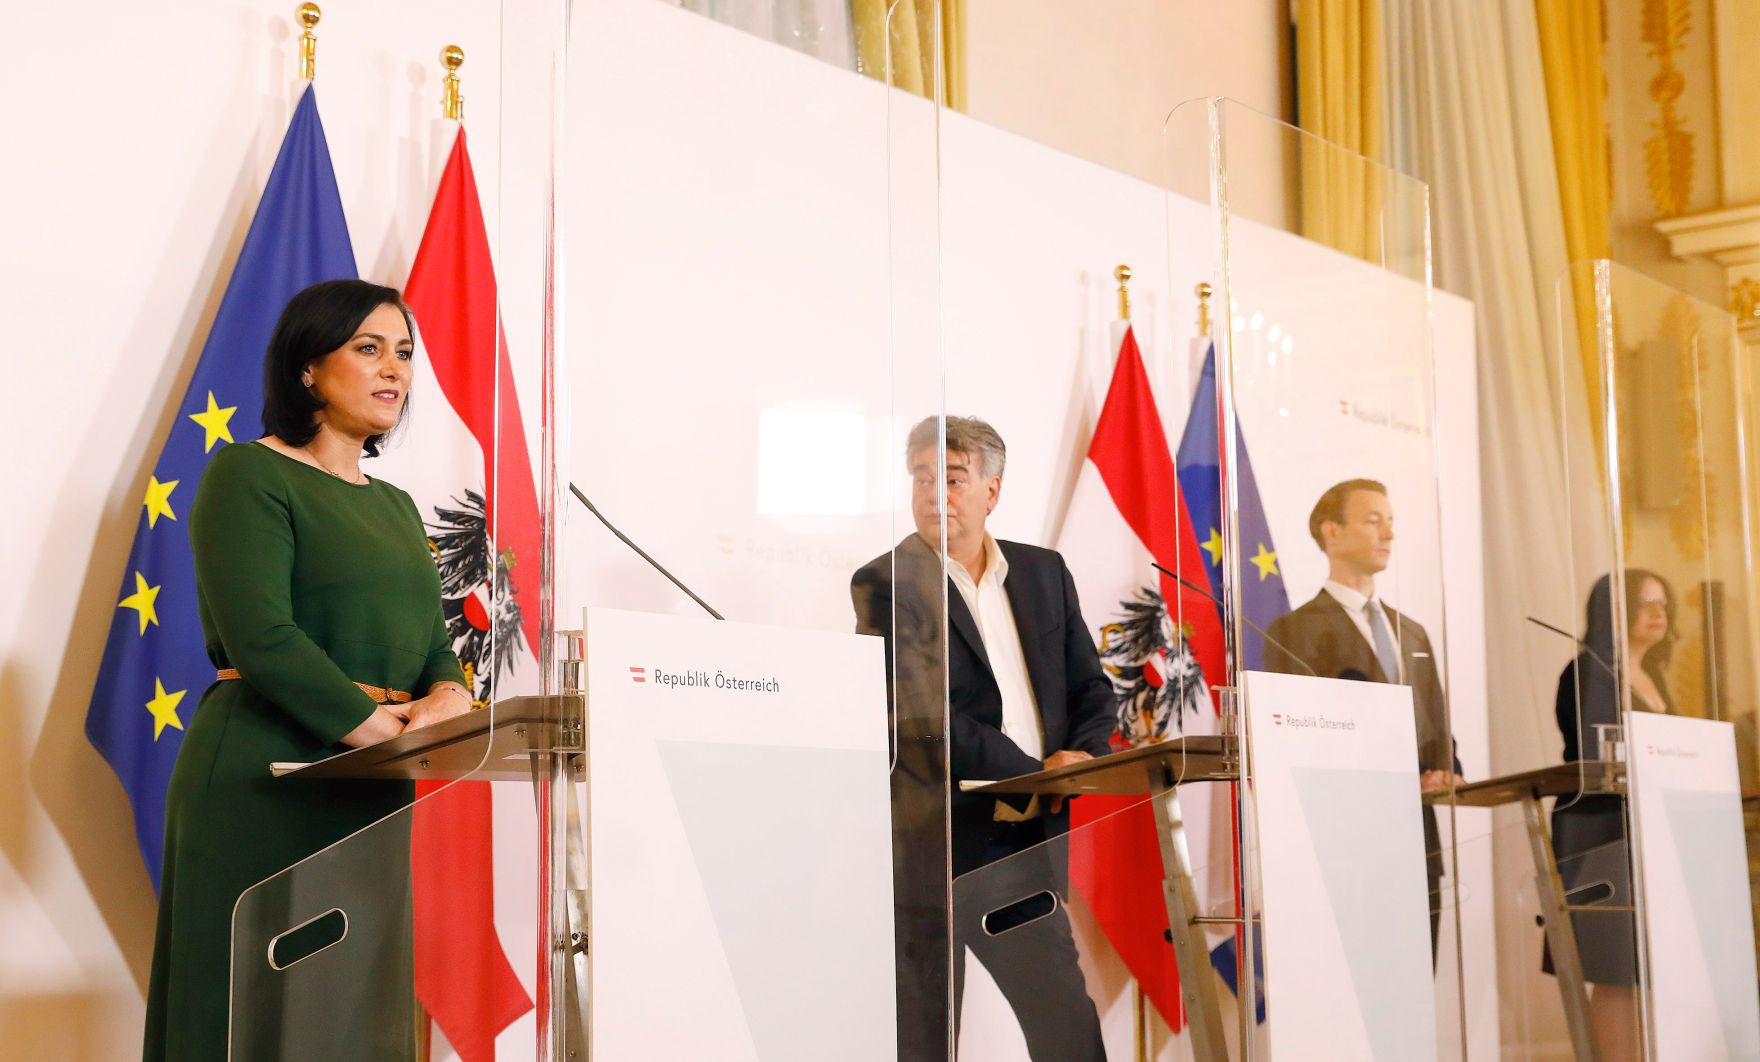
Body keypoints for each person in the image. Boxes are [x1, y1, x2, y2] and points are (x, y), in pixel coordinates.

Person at [143, 280, 475, 1061]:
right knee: (251, 1018)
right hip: (265, 778)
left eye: (403, 353)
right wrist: (385, 733)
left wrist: (449, 695)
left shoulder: (396, 506)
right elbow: (263, 637)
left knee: (351, 1017)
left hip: (369, 786)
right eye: (368, 349)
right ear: (307, 369)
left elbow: (432, 644)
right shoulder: (248, 473)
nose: (394, 369)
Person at [851, 415, 1112, 1062]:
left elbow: (1091, 689)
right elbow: (920, 713)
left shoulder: (1044, 572)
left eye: (953, 478)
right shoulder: (885, 582)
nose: (934, 493)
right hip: (932, 844)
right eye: (921, 478)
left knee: (1068, 1030)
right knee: (926, 1040)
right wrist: (1035, 774)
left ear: (991, 490)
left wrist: (1081, 759)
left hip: (1021, 846)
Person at [1262, 478, 1464, 955]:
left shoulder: (1411, 631)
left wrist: (1445, 767)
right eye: (1374, 521)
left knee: (1416, 984)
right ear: (1331, 532)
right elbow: (1296, 743)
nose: (1389, 533)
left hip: (1418, 839)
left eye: (1391, 522)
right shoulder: (1293, 631)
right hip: (1345, 848)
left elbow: (1434, 718)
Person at [1546, 569, 1675, 1062]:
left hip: (1651, 836)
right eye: (1645, 602)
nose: (1658, 612)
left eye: (1663, 603)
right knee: (1618, 974)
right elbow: (1591, 756)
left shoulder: (1654, 675)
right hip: (1602, 838)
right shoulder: (1586, 671)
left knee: (1648, 975)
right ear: (1612, 609)